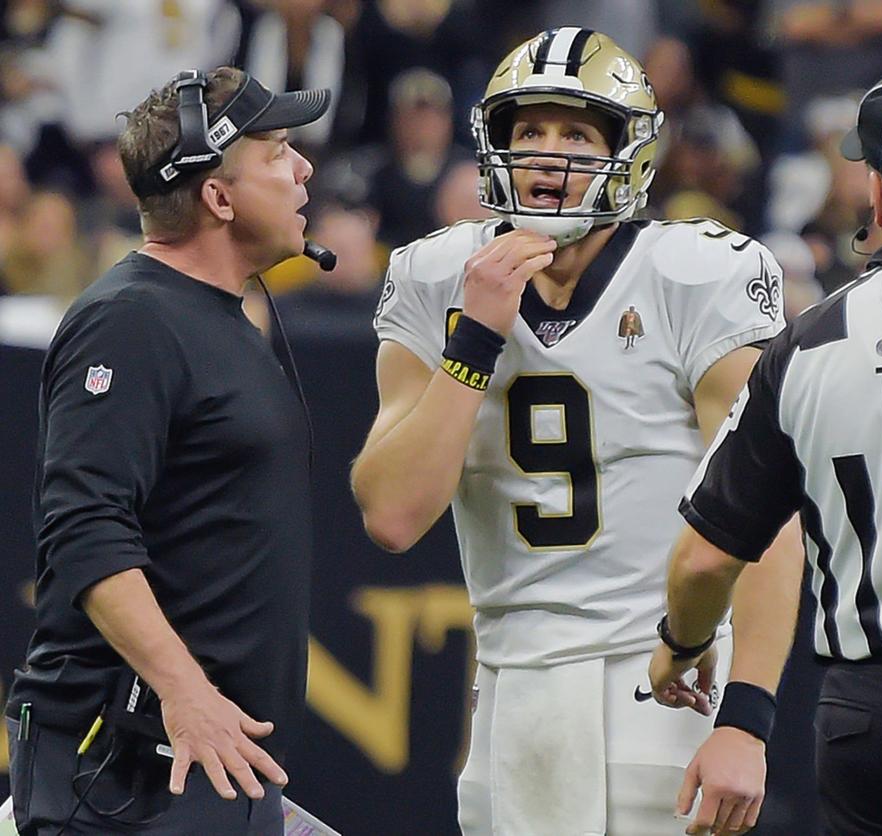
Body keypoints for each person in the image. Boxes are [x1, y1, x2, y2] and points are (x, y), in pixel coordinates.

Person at [352, 27, 803, 835]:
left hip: (664, 683)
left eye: (576, 134)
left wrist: (746, 718)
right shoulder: (436, 277)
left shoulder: (692, 274)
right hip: (507, 694)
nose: (548, 155)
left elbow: (767, 518)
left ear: (625, 154)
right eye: (528, 132)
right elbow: (392, 513)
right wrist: (475, 339)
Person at [649, 63, 882, 835]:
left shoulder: (805, 343)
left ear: (878, 192)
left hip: (867, 717)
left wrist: (681, 645)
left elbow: (705, 558)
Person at [5, 66, 330, 834]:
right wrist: (186, 693)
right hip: (132, 769)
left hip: (207, 757)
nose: (305, 168)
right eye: (280, 151)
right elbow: (84, 529)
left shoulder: (218, 315)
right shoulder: (130, 322)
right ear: (218, 197)